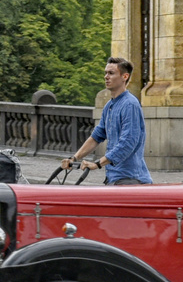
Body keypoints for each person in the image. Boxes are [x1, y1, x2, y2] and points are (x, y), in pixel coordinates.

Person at [63, 57, 152, 186]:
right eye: (105, 73)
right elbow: (96, 136)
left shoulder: (130, 104)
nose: (106, 77)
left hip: (130, 178)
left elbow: (128, 143)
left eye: (111, 73)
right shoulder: (109, 106)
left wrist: (97, 164)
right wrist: (74, 158)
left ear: (124, 76)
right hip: (114, 177)